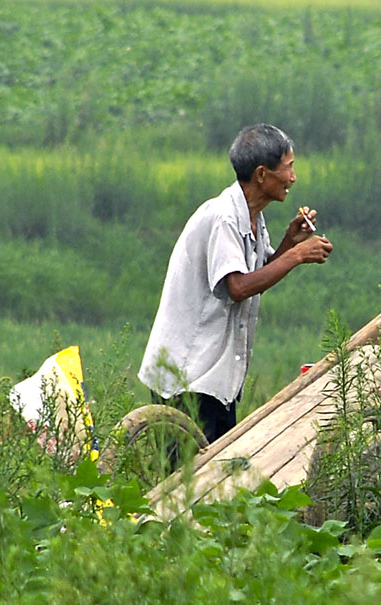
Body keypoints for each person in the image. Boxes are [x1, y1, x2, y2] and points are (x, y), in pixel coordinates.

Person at [138, 124, 333, 444]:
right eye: (288, 167)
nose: (293, 178)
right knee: (187, 485)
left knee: (214, 484)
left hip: (214, 380)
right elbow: (238, 288)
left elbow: (256, 275)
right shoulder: (224, 218)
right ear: (261, 174)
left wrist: (288, 242)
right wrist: (296, 255)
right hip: (188, 379)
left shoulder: (252, 216)